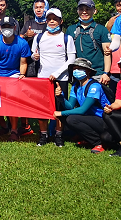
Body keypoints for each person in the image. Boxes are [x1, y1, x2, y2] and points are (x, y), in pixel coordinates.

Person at [31, 8, 76, 147]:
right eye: (49, 19)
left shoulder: (66, 38)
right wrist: (34, 56)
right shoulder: (39, 37)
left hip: (61, 78)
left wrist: (57, 73)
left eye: (55, 19)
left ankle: (58, 135)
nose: (52, 21)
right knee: (42, 107)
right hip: (43, 78)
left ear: (60, 21)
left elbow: (71, 59)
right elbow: (33, 53)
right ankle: (43, 135)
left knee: (59, 108)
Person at [53, 58, 112, 154]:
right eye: (74, 69)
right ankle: (87, 138)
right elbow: (70, 106)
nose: (76, 71)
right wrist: (60, 97)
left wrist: (60, 113)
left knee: (71, 119)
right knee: (66, 117)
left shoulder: (94, 86)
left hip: (103, 119)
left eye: (79, 68)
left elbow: (82, 110)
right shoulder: (76, 86)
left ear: (88, 71)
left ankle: (99, 142)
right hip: (89, 118)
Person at [0, 16, 31, 142]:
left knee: (12, 103)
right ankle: (4, 126)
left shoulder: (22, 43)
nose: (7, 29)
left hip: (14, 74)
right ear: (0, 28)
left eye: (10, 26)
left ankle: (14, 130)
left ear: (15, 27)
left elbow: (23, 62)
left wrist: (21, 75)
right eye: (5, 26)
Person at [66, 0, 112, 90]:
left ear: (94, 11)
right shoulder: (71, 29)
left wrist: (106, 73)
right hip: (77, 73)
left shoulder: (101, 29)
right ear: (77, 11)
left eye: (87, 9)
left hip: (97, 74)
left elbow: (107, 53)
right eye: (81, 9)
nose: (84, 12)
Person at [21, 0, 48, 78]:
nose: (38, 10)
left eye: (41, 7)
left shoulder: (50, 24)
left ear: (46, 8)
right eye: (36, 8)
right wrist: (26, 35)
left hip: (45, 59)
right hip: (30, 60)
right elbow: (19, 38)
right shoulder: (29, 23)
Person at [105, 0, 121, 80]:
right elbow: (104, 37)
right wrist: (109, 25)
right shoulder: (111, 21)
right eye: (118, 5)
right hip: (114, 65)